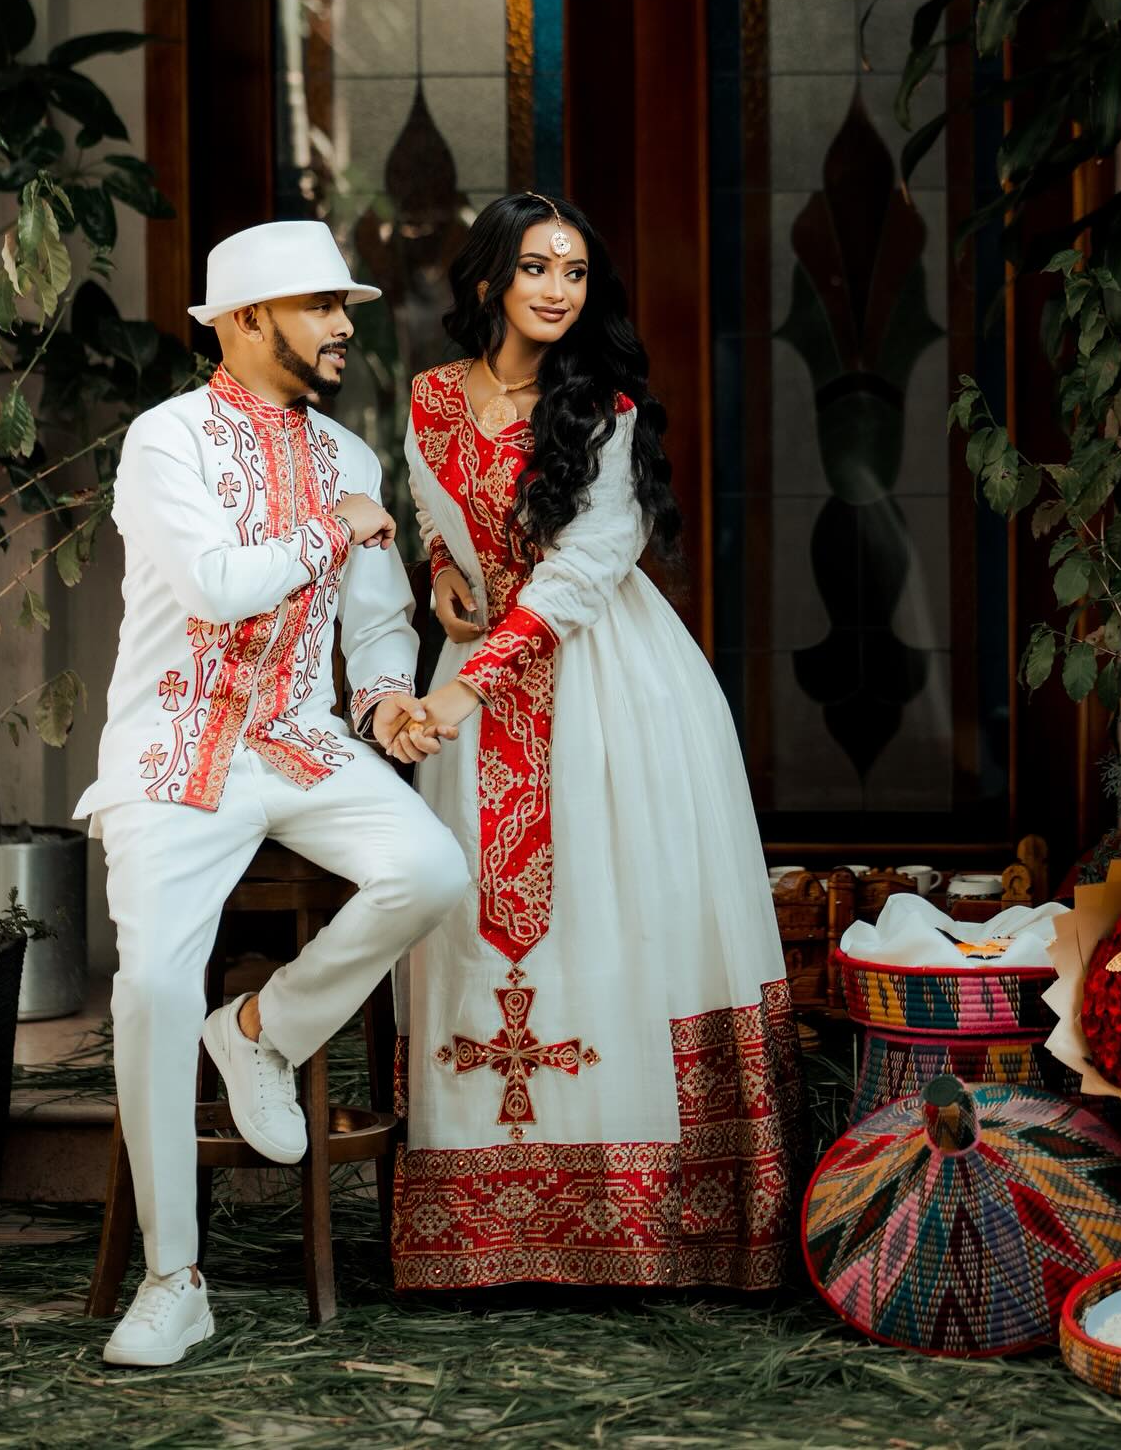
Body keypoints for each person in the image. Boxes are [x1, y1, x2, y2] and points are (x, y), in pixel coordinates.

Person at [389, 192, 802, 1292]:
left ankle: (645, 1229)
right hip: (474, 689)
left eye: (575, 273)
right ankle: (476, 1233)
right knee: (465, 902)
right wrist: (442, 586)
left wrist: (472, 685)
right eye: (537, 268)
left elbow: (586, 565)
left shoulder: (602, 410)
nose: (560, 290)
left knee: (623, 905)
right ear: (489, 281)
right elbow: (436, 518)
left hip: (606, 684)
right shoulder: (429, 400)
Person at [74, 220, 469, 1367]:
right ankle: (172, 1279)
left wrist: (391, 696)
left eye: (345, 306)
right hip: (177, 750)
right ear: (247, 321)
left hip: (302, 740)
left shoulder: (351, 457)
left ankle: (262, 1031)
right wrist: (330, 530)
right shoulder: (165, 441)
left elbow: (379, 619)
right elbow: (214, 584)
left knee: (431, 867)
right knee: (149, 981)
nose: (346, 325)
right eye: (319, 307)